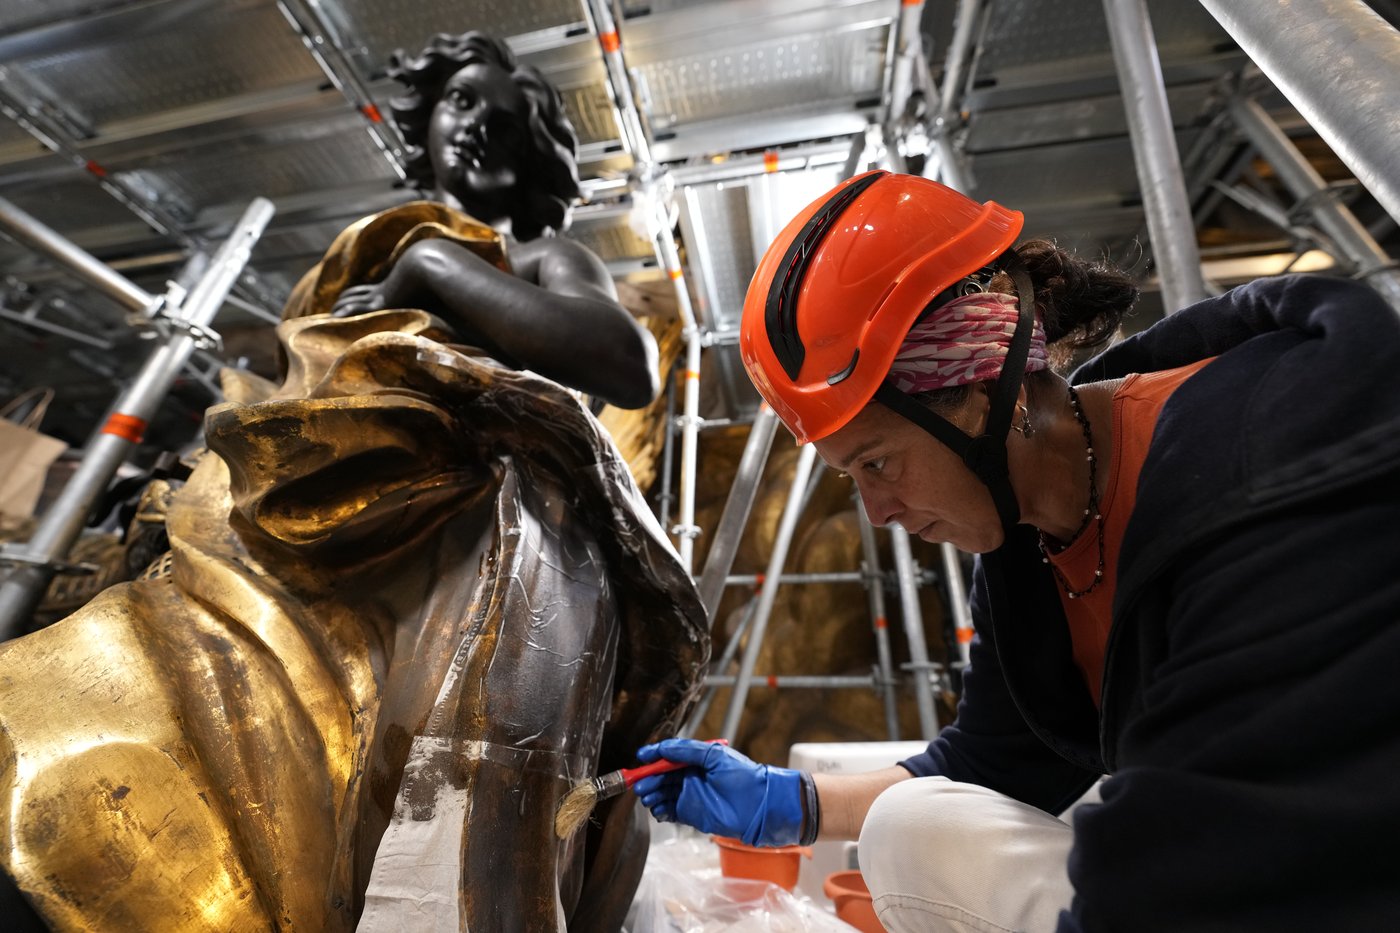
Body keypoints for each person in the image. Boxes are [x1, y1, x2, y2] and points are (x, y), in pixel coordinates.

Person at [633, 170, 1400, 931]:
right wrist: (787, 802)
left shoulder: (1263, 466)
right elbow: (996, 762)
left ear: (979, 393)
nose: (875, 510)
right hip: (1233, 863)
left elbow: (1184, 872)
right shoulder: (1025, 560)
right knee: (911, 824)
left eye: (876, 462)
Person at [326, 31, 659, 410]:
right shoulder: (369, 255)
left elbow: (630, 365)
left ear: (531, 162)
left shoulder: (546, 257)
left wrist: (431, 260)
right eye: (461, 100)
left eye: (505, 130)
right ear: (430, 110)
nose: (476, 127)